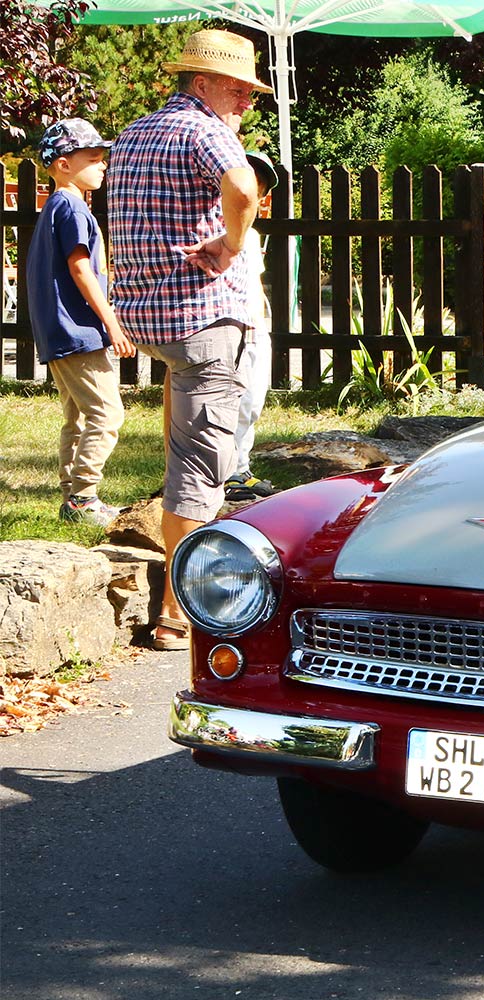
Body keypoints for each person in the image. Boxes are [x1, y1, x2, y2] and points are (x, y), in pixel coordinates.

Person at [108, 28, 266, 650]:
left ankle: (179, 578)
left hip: (147, 316)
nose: (247, 103)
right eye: (239, 90)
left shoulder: (133, 133)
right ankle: (182, 610)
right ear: (202, 84)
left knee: (185, 445)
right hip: (200, 318)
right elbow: (246, 190)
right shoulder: (207, 132)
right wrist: (229, 246)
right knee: (201, 467)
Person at [26, 119, 137, 527]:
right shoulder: (71, 206)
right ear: (62, 164)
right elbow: (80, 269)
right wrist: (112, 323)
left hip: (60, 332)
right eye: (91, 158)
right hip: (79, 332)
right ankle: (84, 497)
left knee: (77, 416)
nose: (101, 164)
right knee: (107, 415)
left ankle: (71, 498)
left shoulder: (57, 206)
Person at [225, 150, 279, 502]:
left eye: (258, 190)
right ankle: (227, 471)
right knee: (235, 398)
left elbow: (254, 284)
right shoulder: (220, 230)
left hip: (257, 326)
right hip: (233, 326)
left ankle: (241, 466)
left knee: (254, 398)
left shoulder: (254, 236)